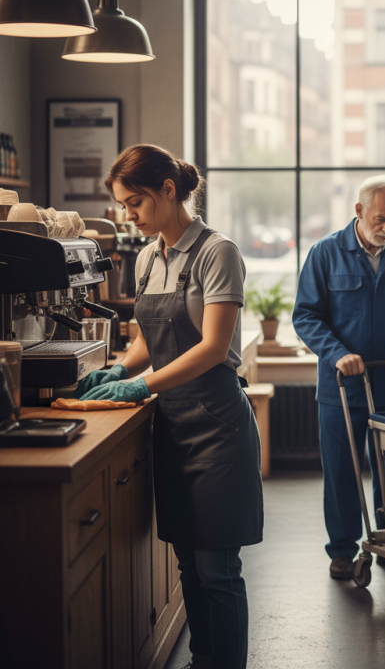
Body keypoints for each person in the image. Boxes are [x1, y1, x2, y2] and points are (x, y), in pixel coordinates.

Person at [75, 144, 263, 669]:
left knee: (217, 568)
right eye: (122, 206)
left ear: (168, 190)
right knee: (186, 563)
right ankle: (205, 659)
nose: (128, 216)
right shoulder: (147, 256)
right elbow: (145, 337)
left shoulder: (216, 252)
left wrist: (143, 386)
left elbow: (210, 346)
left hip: (217, 426)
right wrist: (121, 370)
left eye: (135, 203)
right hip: (173, 426)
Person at [292, 175, 385, 580]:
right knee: (341, 471)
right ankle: (342, 549)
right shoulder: (324, 253)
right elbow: (305, 316)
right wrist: (338, 355)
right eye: (380, 218)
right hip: (341, 387)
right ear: (358, 211)